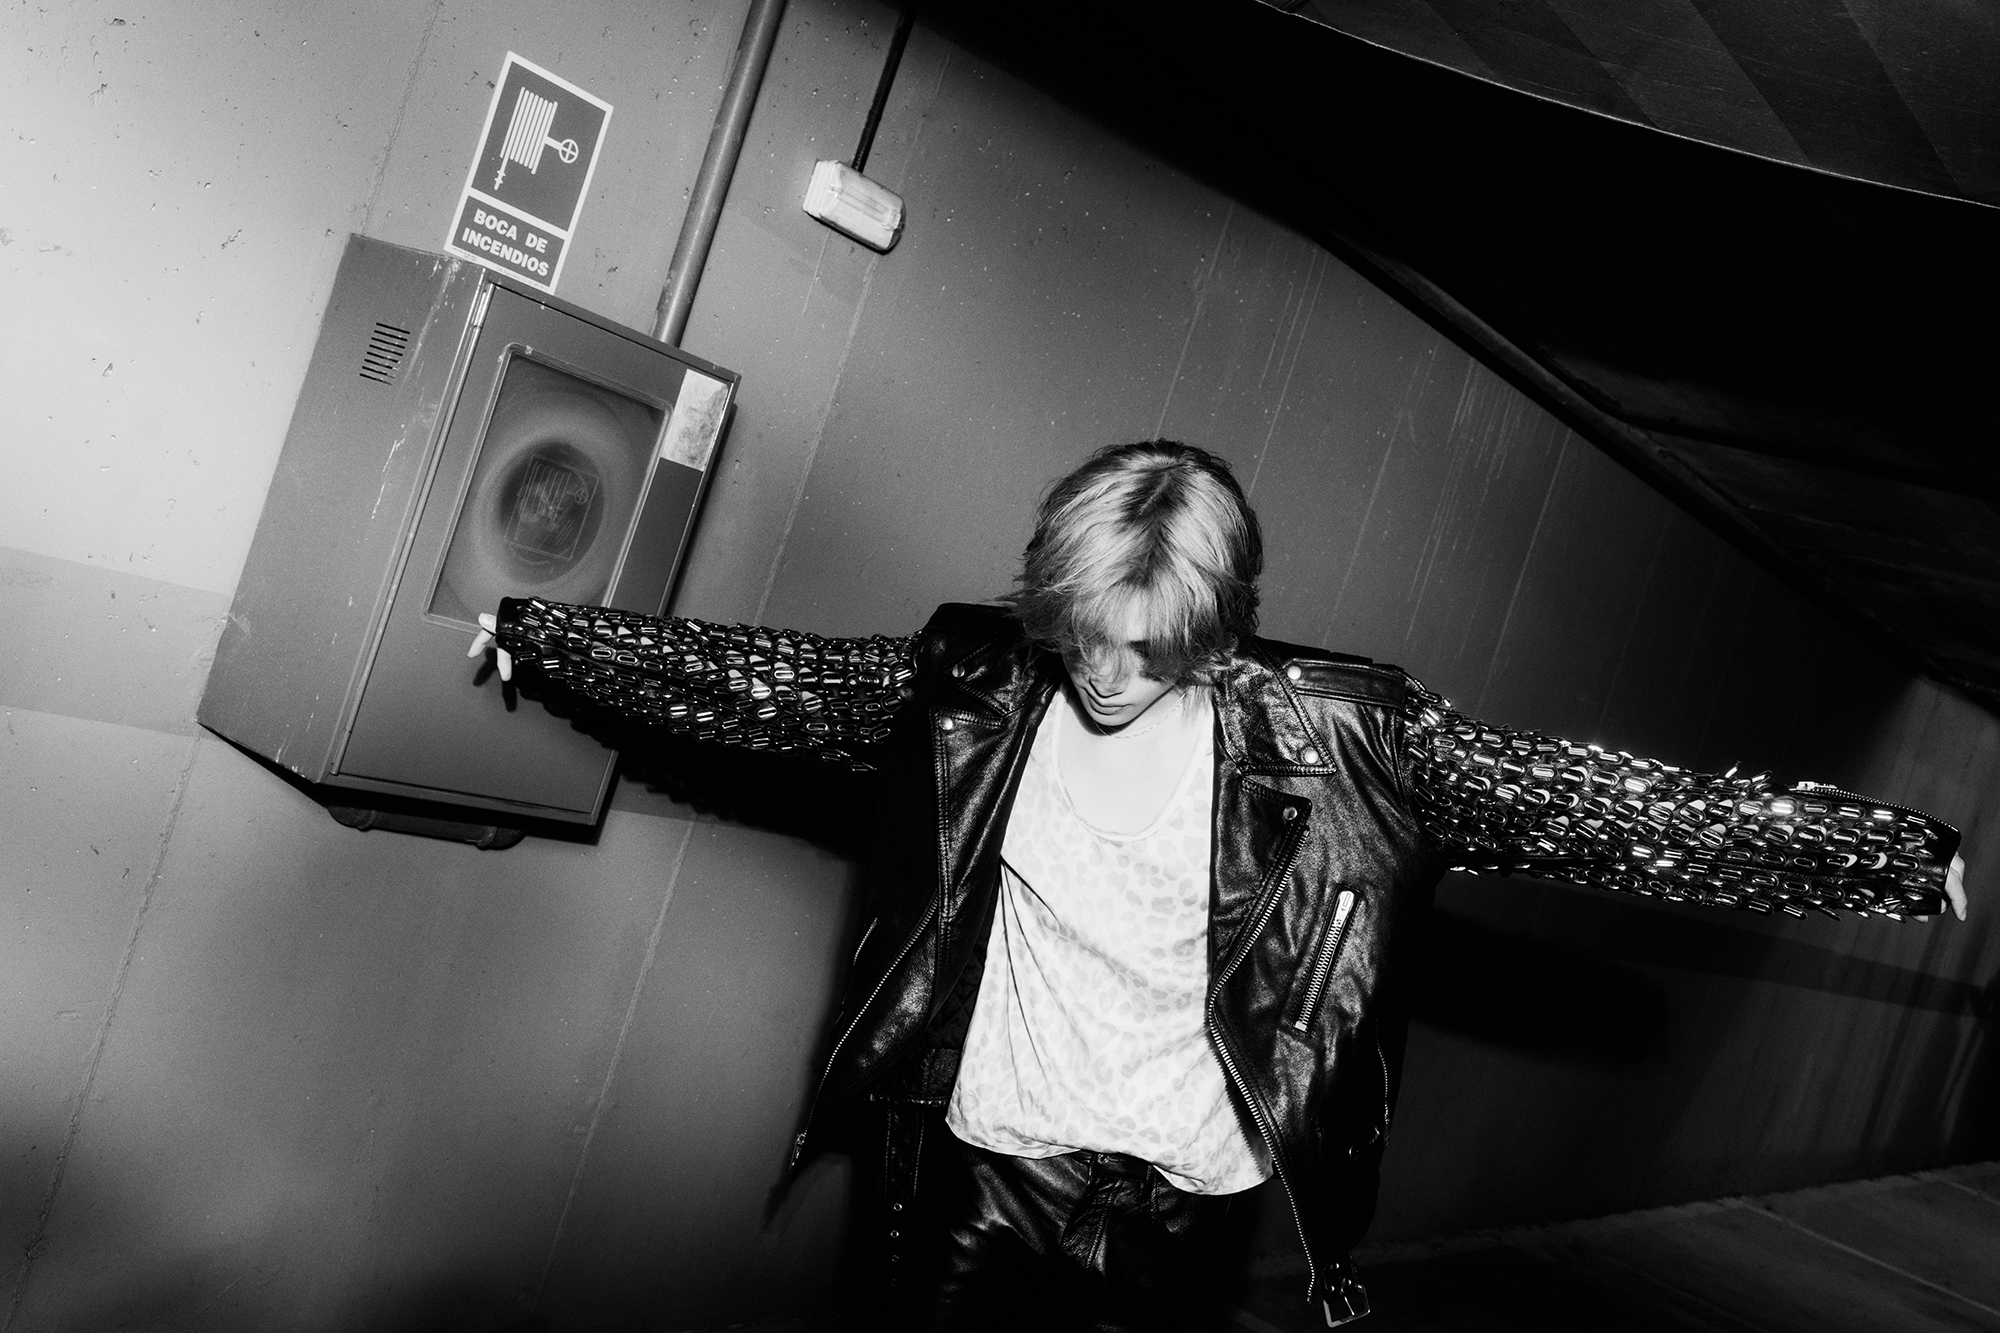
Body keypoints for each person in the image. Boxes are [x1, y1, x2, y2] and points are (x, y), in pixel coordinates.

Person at [469, 440, 1967, 1330]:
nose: (1108, 673)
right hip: (985, 1169)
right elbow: (772, 686)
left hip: (1181, 1205)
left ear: (1220, 627)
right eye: (1085, 632)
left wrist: (1887, 853)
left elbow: (1583, 805)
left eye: (1151, 647)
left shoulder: (1344, 737)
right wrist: (548, 636)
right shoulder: (980, 682)